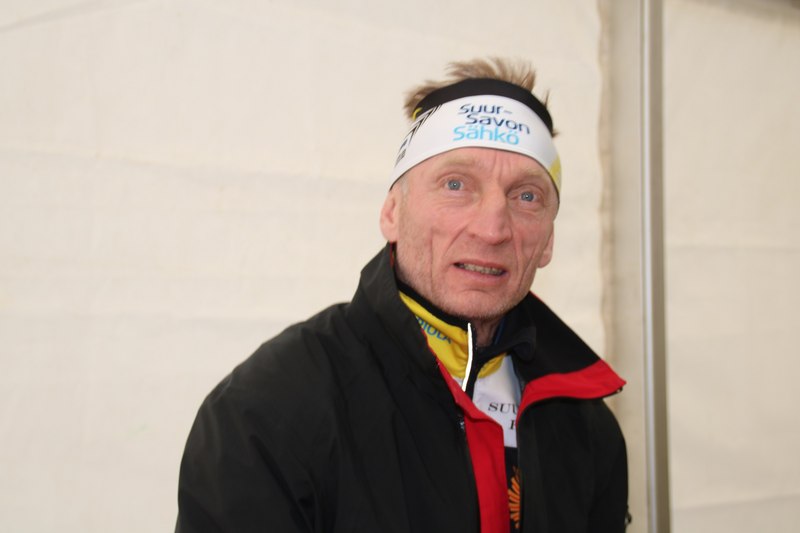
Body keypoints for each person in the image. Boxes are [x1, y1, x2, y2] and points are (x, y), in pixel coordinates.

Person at [176, 58, 628, 533]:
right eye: (456, 185)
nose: (492, 229)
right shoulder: (272, 408)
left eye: (526, 196)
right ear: (392, 212)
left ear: (548, 241)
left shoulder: (587, 428)